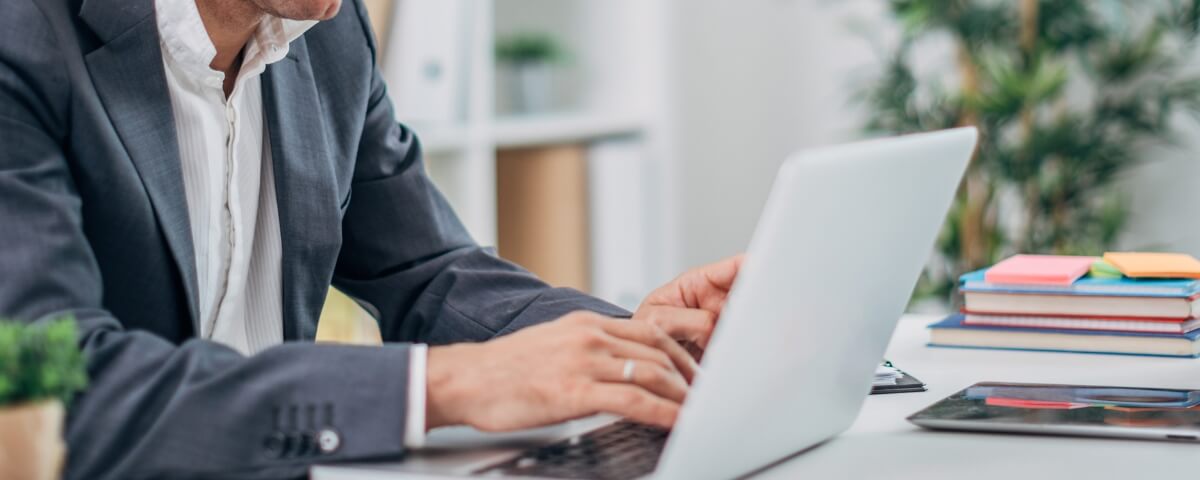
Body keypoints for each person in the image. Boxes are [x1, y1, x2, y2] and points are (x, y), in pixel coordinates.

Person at [0, 0, 743, 478]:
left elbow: (428, 270)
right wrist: (440, 388)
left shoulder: (327, 33)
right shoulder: (21, 39)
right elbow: (52, 394)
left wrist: (628, 349)